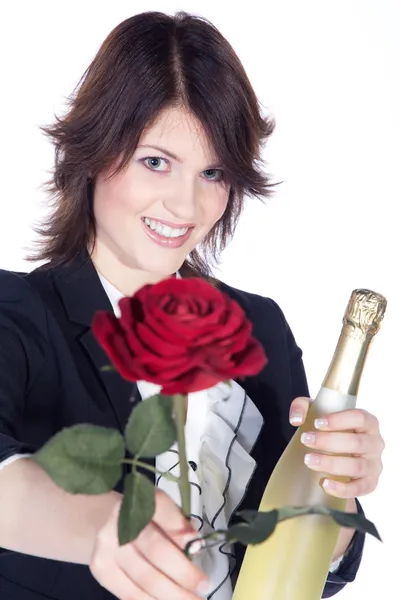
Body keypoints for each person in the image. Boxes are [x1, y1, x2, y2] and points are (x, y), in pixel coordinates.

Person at [0, 10, 384, 600]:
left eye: (213, 172)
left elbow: (290, 560)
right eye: (156, 161)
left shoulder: (261, 329)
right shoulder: (17, 312)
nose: (185, 206)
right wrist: (105, 525)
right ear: (95, 151)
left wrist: (337, 490)